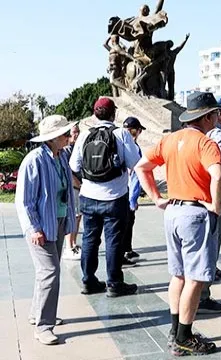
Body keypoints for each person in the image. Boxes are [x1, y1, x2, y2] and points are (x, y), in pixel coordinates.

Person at [134, 91, 221, 356]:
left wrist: (156, 198)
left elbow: (142, 167)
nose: (218, 118)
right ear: (207, 117)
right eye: (216, 113)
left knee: (178, 275)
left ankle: (176, 330)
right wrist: (216, 206)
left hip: (173, 211)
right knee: (196, 279)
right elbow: (218, 176)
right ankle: (185, 336)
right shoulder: (206, 144)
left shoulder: (170, 140)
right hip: (195, 214)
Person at [69, 97, 142, 298]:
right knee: (113, 241)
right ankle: (114, 283)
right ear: (114, 114)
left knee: (90, 239)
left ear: (95, 114)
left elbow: (74, 166)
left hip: (88, 196)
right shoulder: (121, 134)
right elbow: (135, 162)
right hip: (115, 197)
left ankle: (88, 280)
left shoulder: (84, 135)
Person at [16, 115, 78, 345]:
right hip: (41, 226)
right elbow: (25, 200)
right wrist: (34, 228)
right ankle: (44, 325)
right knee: (50, 272)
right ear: (52, 138)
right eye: (65, 134)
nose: (69, 136)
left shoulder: (61, 157)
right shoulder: (34, 161)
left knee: (46, 272)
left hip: (58, 221)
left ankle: (37, 313)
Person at [197, 96, 221, 314]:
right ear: (217, 113)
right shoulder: (217, 133)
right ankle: (203, 296)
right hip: (212, 197)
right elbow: (218, 165)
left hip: (195, 198)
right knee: (212, 243)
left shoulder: (191, 134)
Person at [123, 117, 147, 265]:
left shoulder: (120, 144)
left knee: (125, 223)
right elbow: (136, 176)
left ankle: (127, 249)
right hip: (128, 192)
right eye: (138, 130)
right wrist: (133, 199)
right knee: (127, 223)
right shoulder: (134, 147)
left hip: (120, 191)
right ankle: (125, 251)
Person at [61, 124, 82, 261]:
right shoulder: (66, 150)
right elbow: (69, 171)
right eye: (74, 132)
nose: (76, 135)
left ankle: (74, 243)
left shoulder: (76, 148)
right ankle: (68, 247)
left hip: (80, 187)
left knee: (78, 216)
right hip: (73, 188)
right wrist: (79, 184)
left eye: (78, 132)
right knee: (72, 216)